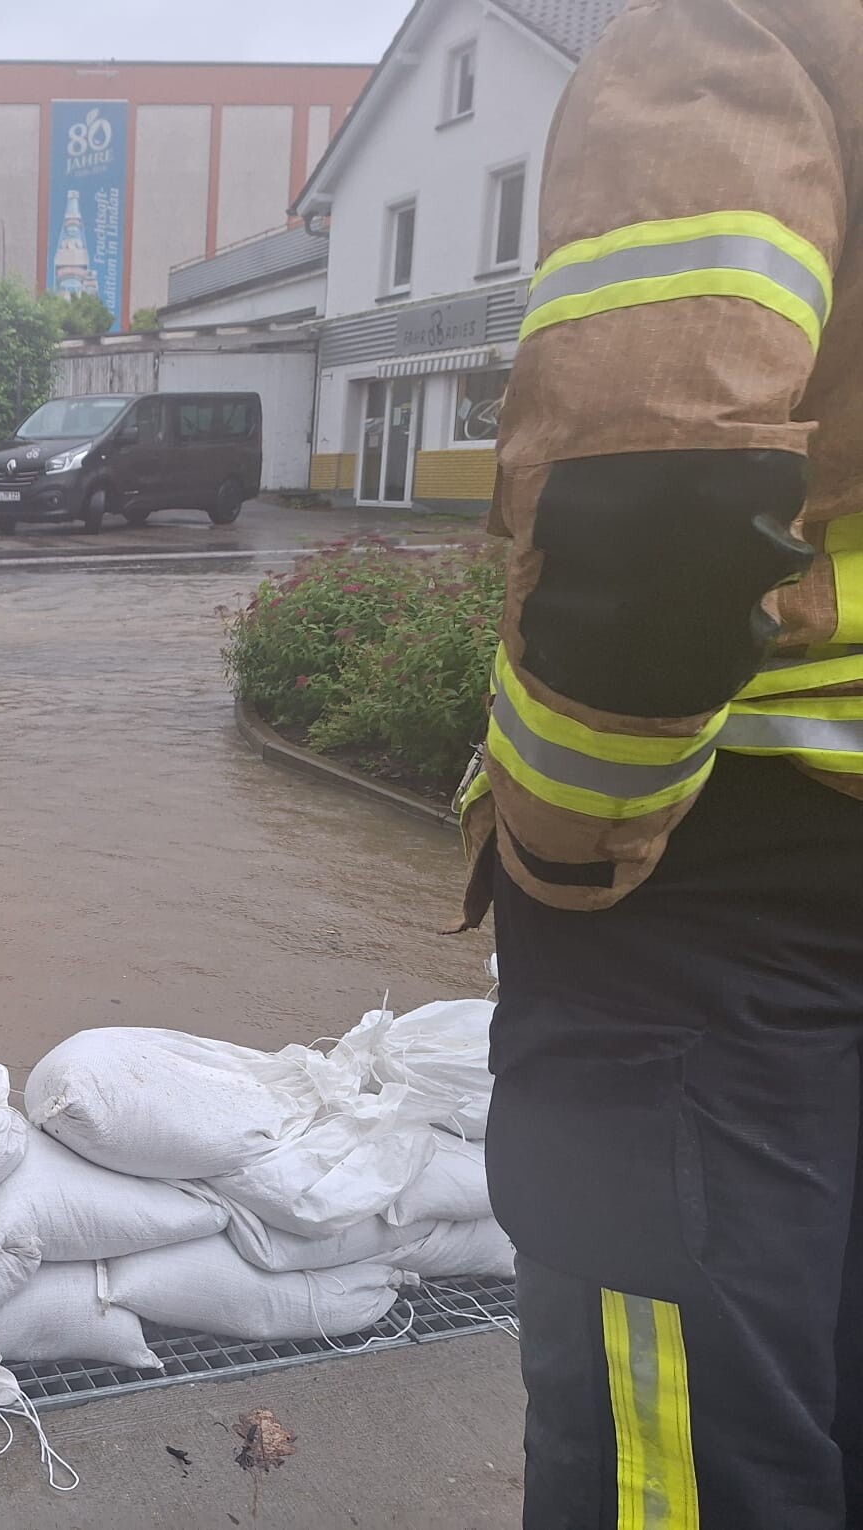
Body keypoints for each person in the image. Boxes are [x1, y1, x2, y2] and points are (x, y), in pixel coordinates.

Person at [457, 1, 863, 1523]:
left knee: (681, 1463)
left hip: (719, 891)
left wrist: (560, 842)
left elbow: (665, 477)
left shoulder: (740, 26)